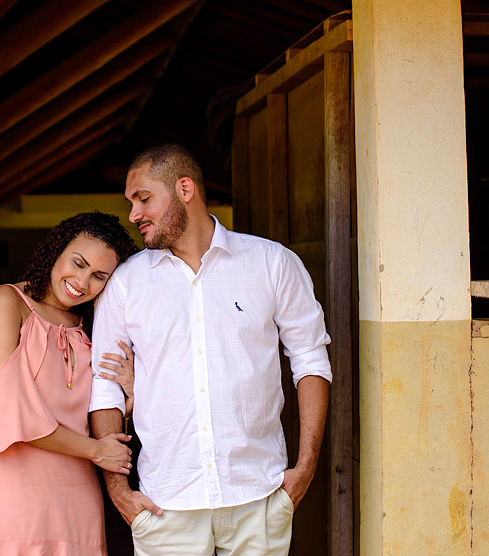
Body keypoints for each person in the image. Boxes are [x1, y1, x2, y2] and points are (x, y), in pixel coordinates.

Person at [89, 144, 332, 556]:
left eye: (144, 199)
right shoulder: (126, 284)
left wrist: (305, 467)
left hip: (259, 495)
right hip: (165, 504)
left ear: (185, 189)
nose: (134, 215)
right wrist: (119, 491)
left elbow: (309, 360)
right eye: (131, 203)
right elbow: (105, 386)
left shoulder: (272, 263)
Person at [0, 211, 139, 555]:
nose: (83, 281)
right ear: (56, 250)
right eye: (78, 262)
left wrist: (129, 397)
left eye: (99, 275)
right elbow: (8, 411)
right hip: (11, 495)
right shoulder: (7, 303)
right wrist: (97, 451)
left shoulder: (89, 328)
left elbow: (88, 414)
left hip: (77, 498)